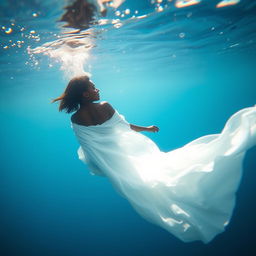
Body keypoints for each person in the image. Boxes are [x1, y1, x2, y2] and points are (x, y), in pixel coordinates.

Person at [52, 75, 256, 244]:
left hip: (116, 162)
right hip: (128, 153)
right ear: (86, 94)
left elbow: (90, 147)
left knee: (152, 183)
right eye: (94, 87)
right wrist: (147, 129)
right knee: (165, 172)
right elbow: (124, 127)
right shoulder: (105, 106)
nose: (98, 89)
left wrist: (104, 166)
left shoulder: (75, 119)